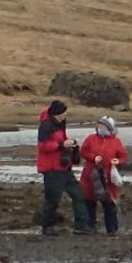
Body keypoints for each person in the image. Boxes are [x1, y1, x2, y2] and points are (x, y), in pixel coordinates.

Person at [33, 98, 85, 233]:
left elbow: (60, 141)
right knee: (53, 199)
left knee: (78, 194)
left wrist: (70, 145)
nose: (65, 115)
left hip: (63, 167)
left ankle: (82, 226)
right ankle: (47, 226)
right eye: (63, 113)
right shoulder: (46, 126)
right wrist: (62, 145)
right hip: (51, 168)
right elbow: (43, 146)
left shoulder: (60, 124)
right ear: (56, 113)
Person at [78, 115, 128, 233]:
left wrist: (118, 161)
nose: (100, 127)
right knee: (89, 201)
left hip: (108, 177)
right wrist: (93, 157)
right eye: (99, 124)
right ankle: (90, 226)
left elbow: (123, 156)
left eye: (103, 125)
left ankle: (112, 228)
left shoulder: (116, 141)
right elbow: (83, 152)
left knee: (109, 202)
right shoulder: (91, 138)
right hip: (91, 175)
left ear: (109, 127)